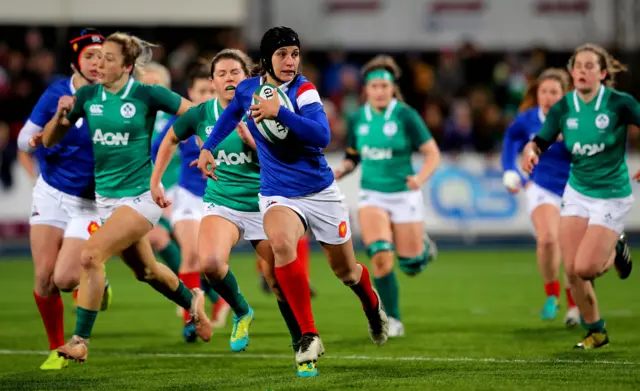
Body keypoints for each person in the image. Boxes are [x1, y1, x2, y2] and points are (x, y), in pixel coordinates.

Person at [198, 26, 389, 377]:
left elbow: (322, 135)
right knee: (282, 244)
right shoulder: (248, 90)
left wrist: (279, 113)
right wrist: (209, 146)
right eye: (283, 53)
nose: (290, 60)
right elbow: (230, 116)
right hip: (277, 193)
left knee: (345, 272)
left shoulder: (305, 90)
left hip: (320, 192)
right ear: (266, 58)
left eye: (295, 53)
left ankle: (372, 304)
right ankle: (308, 336)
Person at [42, 32, 211, 363]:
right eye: (98, 56)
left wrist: (207, 146)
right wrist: (60, 117)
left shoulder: (148, 95)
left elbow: (199, 115)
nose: (100, 63)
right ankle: (193, 302)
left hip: (140, 198)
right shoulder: (89, 96)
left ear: (127, 65)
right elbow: (50, 140)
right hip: (106, 200)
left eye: (108, 57)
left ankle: (80, 340)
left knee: (90, 256)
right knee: (146, 271)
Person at [522, 43, 636, 349]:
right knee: (572, 269)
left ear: (602, 73)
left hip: (611, 195)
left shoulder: (618, 103)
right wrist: (531, 151)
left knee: (587, 267)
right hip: (577, 191)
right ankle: (596, 331)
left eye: (590, 66)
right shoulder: (563, 107)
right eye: (578, 66)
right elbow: (542, 139)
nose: (583, 71)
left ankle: (616, 248)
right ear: (571, 73)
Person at [16, 28, 113, 370]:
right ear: (75, 61)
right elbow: (25, 137)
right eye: (89, 56)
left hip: (90, 201)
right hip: (52, 192)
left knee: (66, 278)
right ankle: (58, 349)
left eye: (103, 57)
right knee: (43, 277)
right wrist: (36, 140)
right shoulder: (57, 92)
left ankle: (96, 278)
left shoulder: (114, 98)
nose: (97, 63)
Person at [333, 55, 439, 338]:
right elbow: (353, 155)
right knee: (380, 257)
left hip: (404, 196)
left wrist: (419, 178)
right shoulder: (357, 118)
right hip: (372, 196)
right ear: (366, 90)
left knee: (412, 266)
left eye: (384, 85)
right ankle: (392, 319)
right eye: (374, 86)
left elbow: (432, 153)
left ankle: (422, 250)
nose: (379, 91)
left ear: (393, 89)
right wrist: (342, 169)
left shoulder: (406, 115)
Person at [150, 63, 231, 341]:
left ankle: (226, 300)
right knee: (191, 254)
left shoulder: (231, 119)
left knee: (212, 261)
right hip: (188, 197)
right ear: (190, 93)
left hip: (223, 199)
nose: (208, 95)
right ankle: (192, 319)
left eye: (212, 90)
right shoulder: (183, 122)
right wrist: (156, 183)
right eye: (201, 91)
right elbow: (159, 148)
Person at [501, 68, 581, 326]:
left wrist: (565, 138)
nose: (547, 97)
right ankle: (551, 294)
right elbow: (510, 139)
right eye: (543, 91)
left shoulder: (576, 119)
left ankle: (574, 306)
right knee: (547, 239)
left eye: (554, 92)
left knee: (572, 251)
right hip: (541, 186)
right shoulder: (527, 119)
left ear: (564, 94)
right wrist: (509, 171)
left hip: (574, 188)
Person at [136, 63, 183, 282]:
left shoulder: (177, 119)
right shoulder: (132, 119)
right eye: (145, 85)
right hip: (143, 190)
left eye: (155, 85)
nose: (150, 91)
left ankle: (199, 292)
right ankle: (200, 292)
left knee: (158, 238)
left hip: (175, 191)